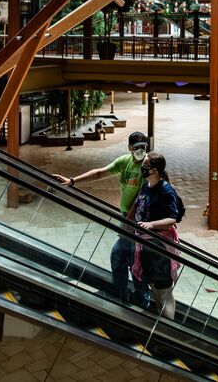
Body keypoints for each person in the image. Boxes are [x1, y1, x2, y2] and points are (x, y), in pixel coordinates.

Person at [53, 131, 150, 306]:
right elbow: (99, 173)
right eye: (137, 148)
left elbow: (141, 198)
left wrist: (128, 223)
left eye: (143, 147)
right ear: (129, 148)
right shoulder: (124, 162)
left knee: (133, 258)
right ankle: (123, 294)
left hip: (140, 221)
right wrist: (73, 181)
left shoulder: (148, 165)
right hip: (126, 218)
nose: (141, 151)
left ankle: (142, 300)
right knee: (123, 256)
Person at [128, 152, 183, 319]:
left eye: (146, 166)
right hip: (146, 245)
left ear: (156, 170)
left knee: (164, 291)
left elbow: (172, 219)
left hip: (160, 247)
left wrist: (151, 225)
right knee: (154, 287)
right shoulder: (146, 187)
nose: (143, 169)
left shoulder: (166, 190)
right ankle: (163, 324)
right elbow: (137, 207)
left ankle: (169, 330)